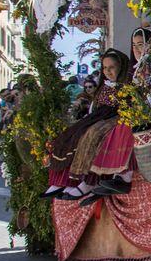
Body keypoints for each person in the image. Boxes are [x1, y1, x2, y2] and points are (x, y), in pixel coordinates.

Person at [44, 49, 131, 200]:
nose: (108, 71)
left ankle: (90, 181)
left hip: (115, 116)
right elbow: (95, 106)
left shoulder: (127, 85)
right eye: (105, 68)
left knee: (92, 134)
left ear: (120, 67)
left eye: (111, 67)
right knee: (70, 134)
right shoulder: (105, 86)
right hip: (99, 115)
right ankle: (63, 181)